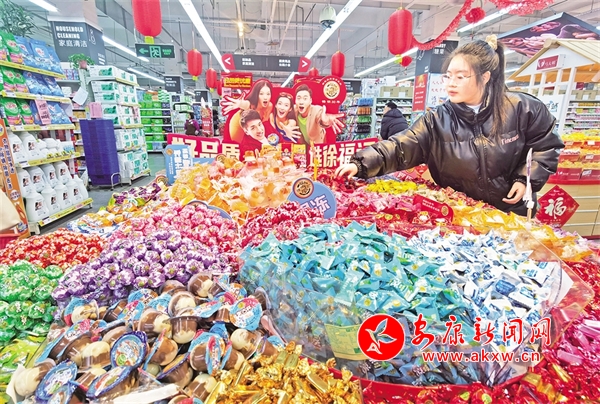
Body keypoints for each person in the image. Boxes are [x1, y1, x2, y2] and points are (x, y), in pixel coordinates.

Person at [335, 35, 564, 217]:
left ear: (485, 77)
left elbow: (545, 147)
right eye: (448, 76)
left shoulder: (523, 108)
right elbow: (400, 146)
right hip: (462, 216)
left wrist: (525, 179)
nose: (451, 83)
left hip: (512, 215)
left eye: (461, 77)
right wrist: (361, 163)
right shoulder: (437, 119)